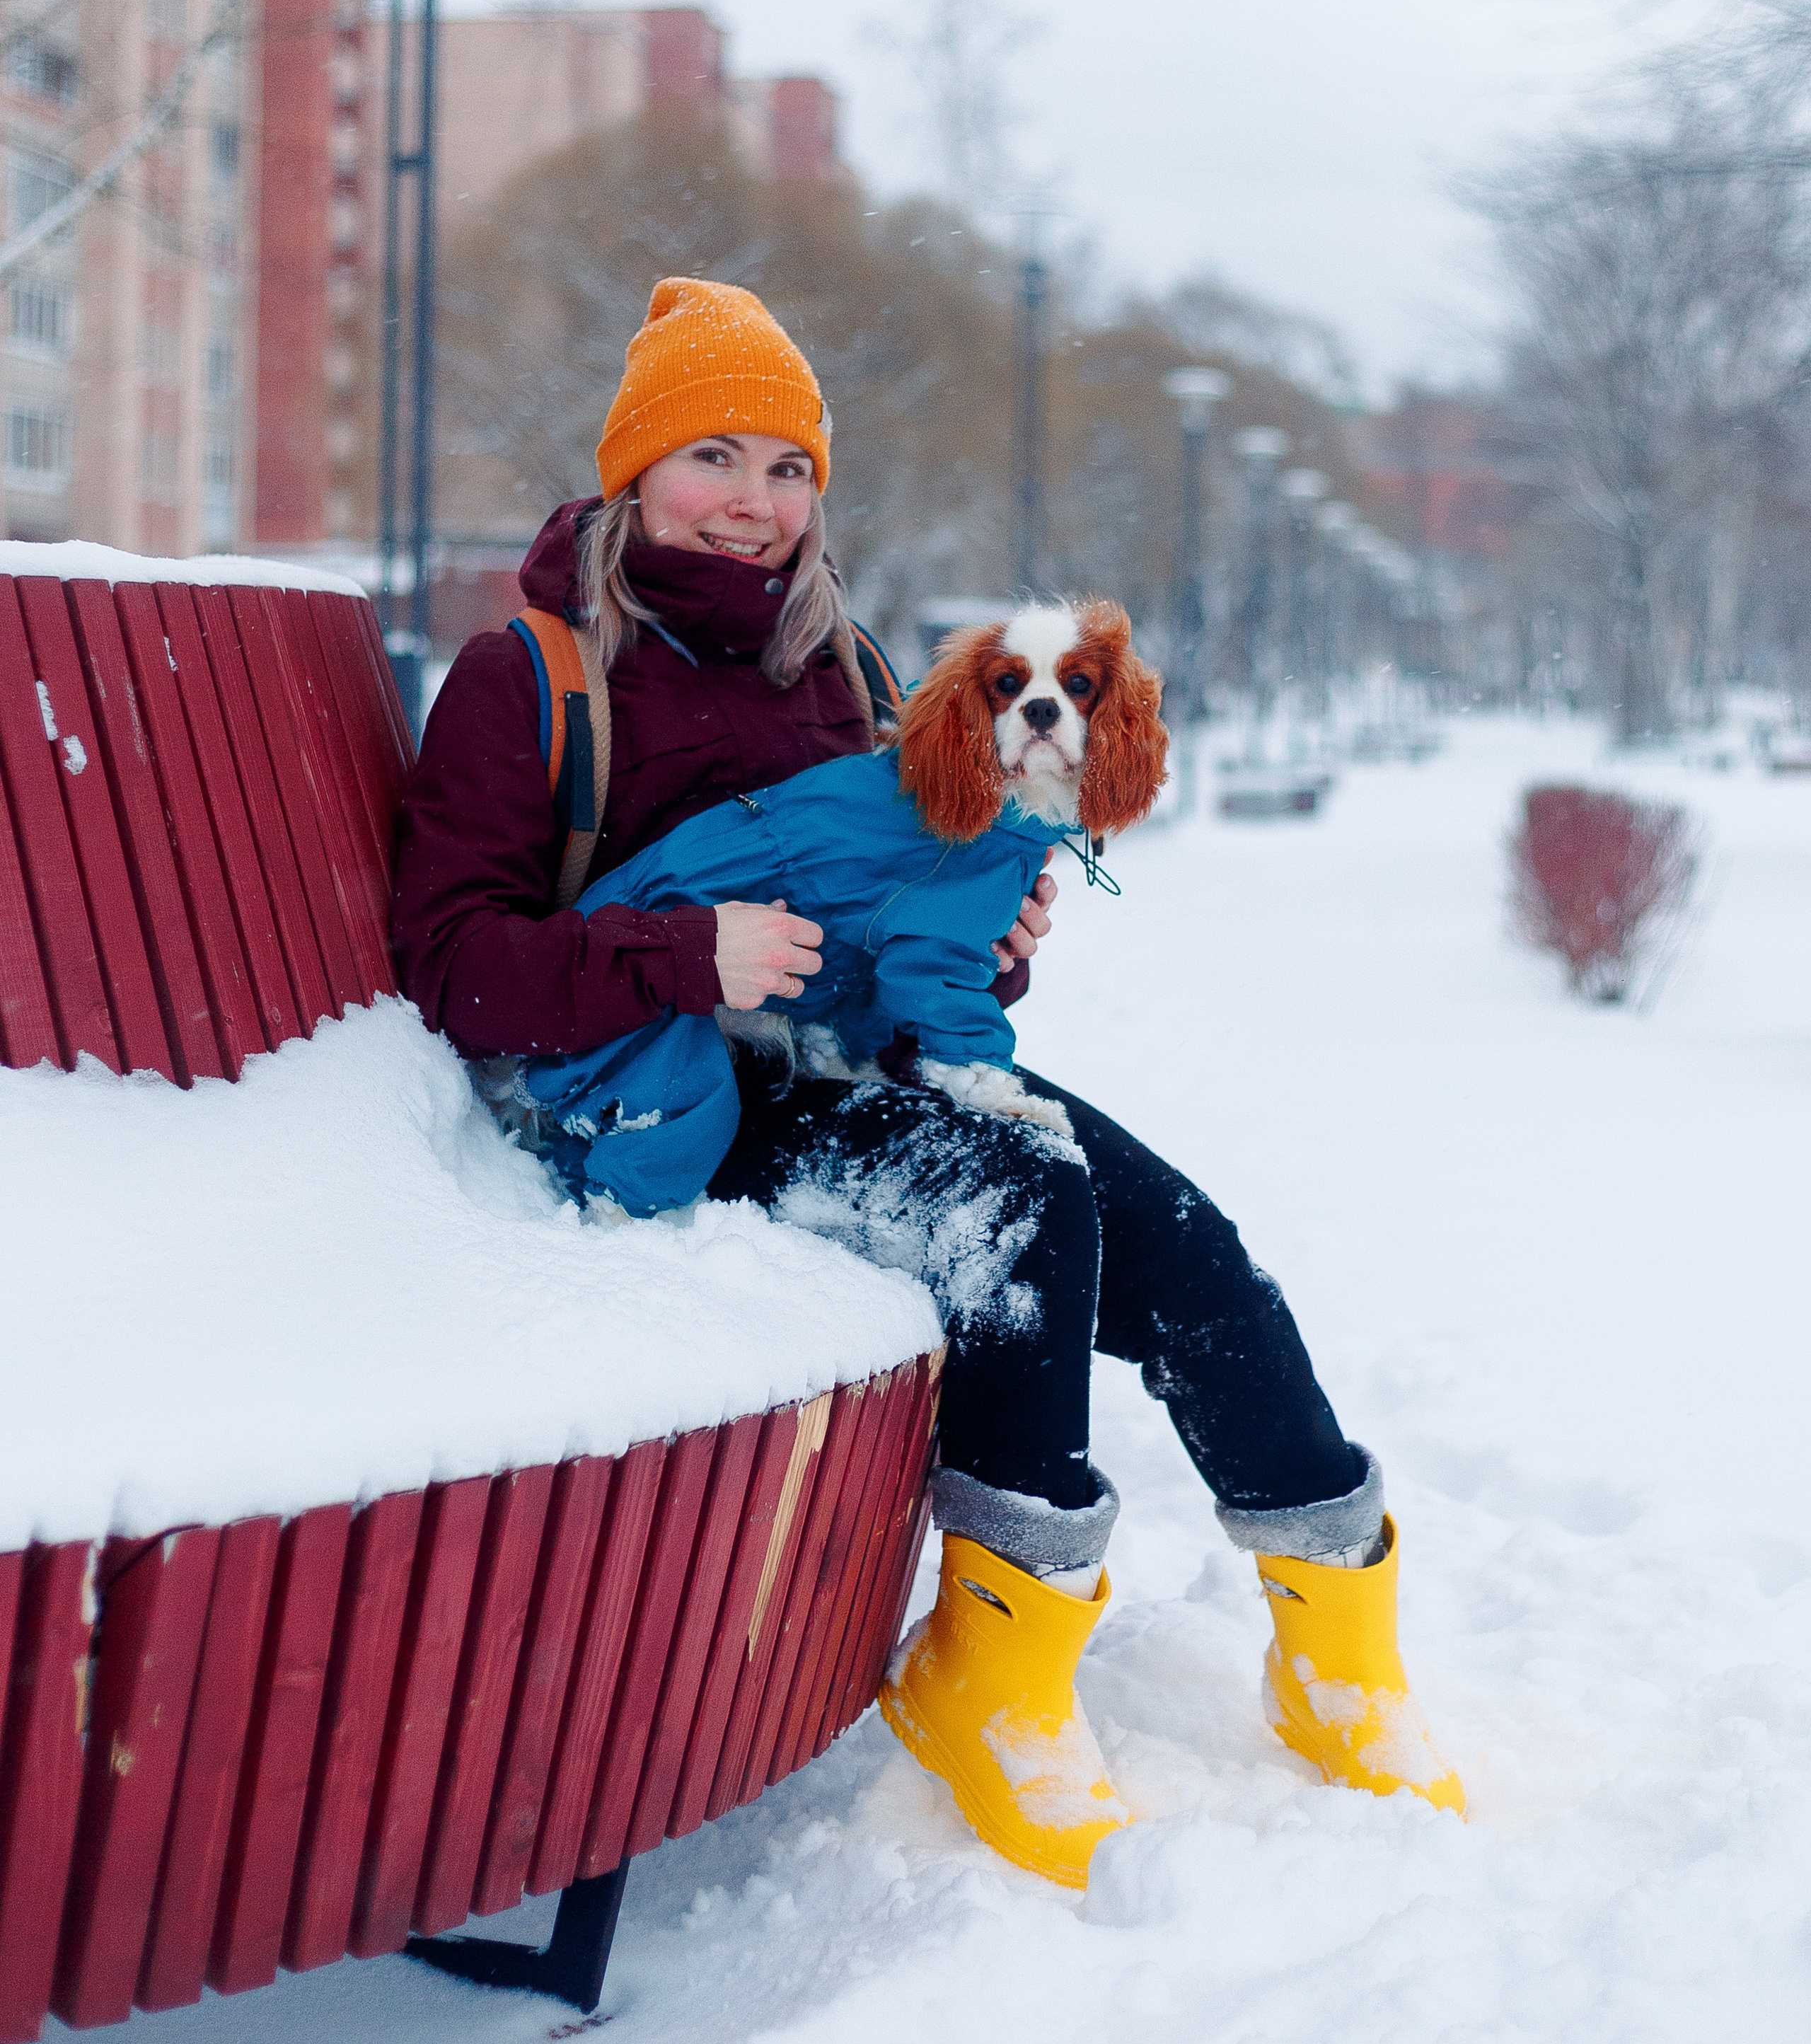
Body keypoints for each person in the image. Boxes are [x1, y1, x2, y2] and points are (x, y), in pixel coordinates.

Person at [393, 275, 1463, 1888]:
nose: (754, 504)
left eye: (789, 469)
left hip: (865, 1066)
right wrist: (685, 958)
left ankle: (1339, 1648)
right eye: (714, 457)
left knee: (1185, 1248)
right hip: (686, 1102)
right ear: (632, 473)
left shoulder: (854, 668)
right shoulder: (535, 674)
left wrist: (1004, 942)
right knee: (1021, 1206)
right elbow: (451, 961)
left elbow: (909, 916)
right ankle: (995, 1676)